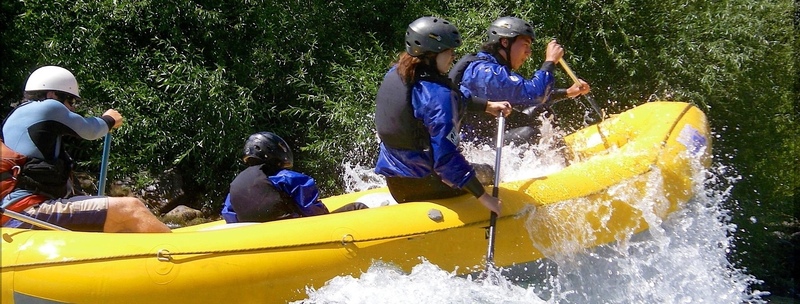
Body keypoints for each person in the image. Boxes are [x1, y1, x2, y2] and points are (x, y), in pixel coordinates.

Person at [1, 65, 171, 232]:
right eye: (70, 100)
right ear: (52, 94)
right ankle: (173, 247)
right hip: (26, 210)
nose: (73, 108)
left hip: (15, 209)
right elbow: (90, 130)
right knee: (131, 208)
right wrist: (109, 120)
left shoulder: (15, 117)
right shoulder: (49, 107)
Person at [373, 16, 511, 215]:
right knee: (488, 171)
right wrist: (485, 198)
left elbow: (438, 101)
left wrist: (486, 105)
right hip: (429, 186)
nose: (453, 56)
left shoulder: (398, 74)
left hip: (396, 185)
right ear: (431, 54)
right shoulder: (439, 96)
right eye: (450, 51)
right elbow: (446, 159)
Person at [450, 16, 591, 145]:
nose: (529, 52)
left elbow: (526, 98)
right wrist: (550, 62)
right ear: (505, 42)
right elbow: (535, 94)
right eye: (525, 45)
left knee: (541, 111)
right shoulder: (487, 72)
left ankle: (560, 153)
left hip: (487, 136)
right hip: (474, 146)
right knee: (528, 133)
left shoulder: (492, 68)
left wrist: (567, 92)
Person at [221, 131, 367, 223]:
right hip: (297, 232)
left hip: (259, 239)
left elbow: (228, 215)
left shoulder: (235, 187)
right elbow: (314, 212)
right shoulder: (287, 178)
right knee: (358, 207)